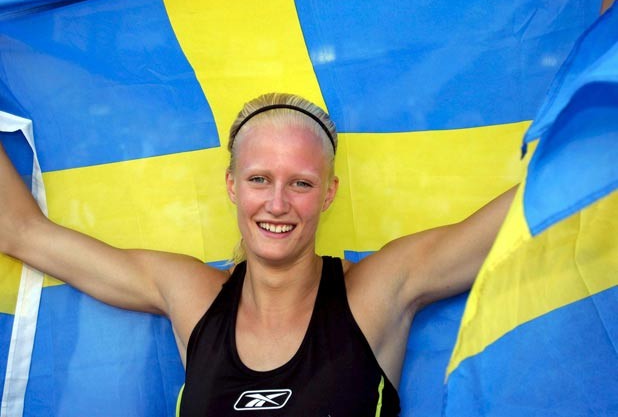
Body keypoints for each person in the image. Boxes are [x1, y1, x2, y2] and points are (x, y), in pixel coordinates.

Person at [0, 93, 515, 416]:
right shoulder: (194, 299)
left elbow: (529, 213)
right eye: (259, 179)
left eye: (301, 183)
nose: (277, 203)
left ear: (329, 193)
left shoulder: (373, 295)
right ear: (232, 185)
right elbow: (20, 232)